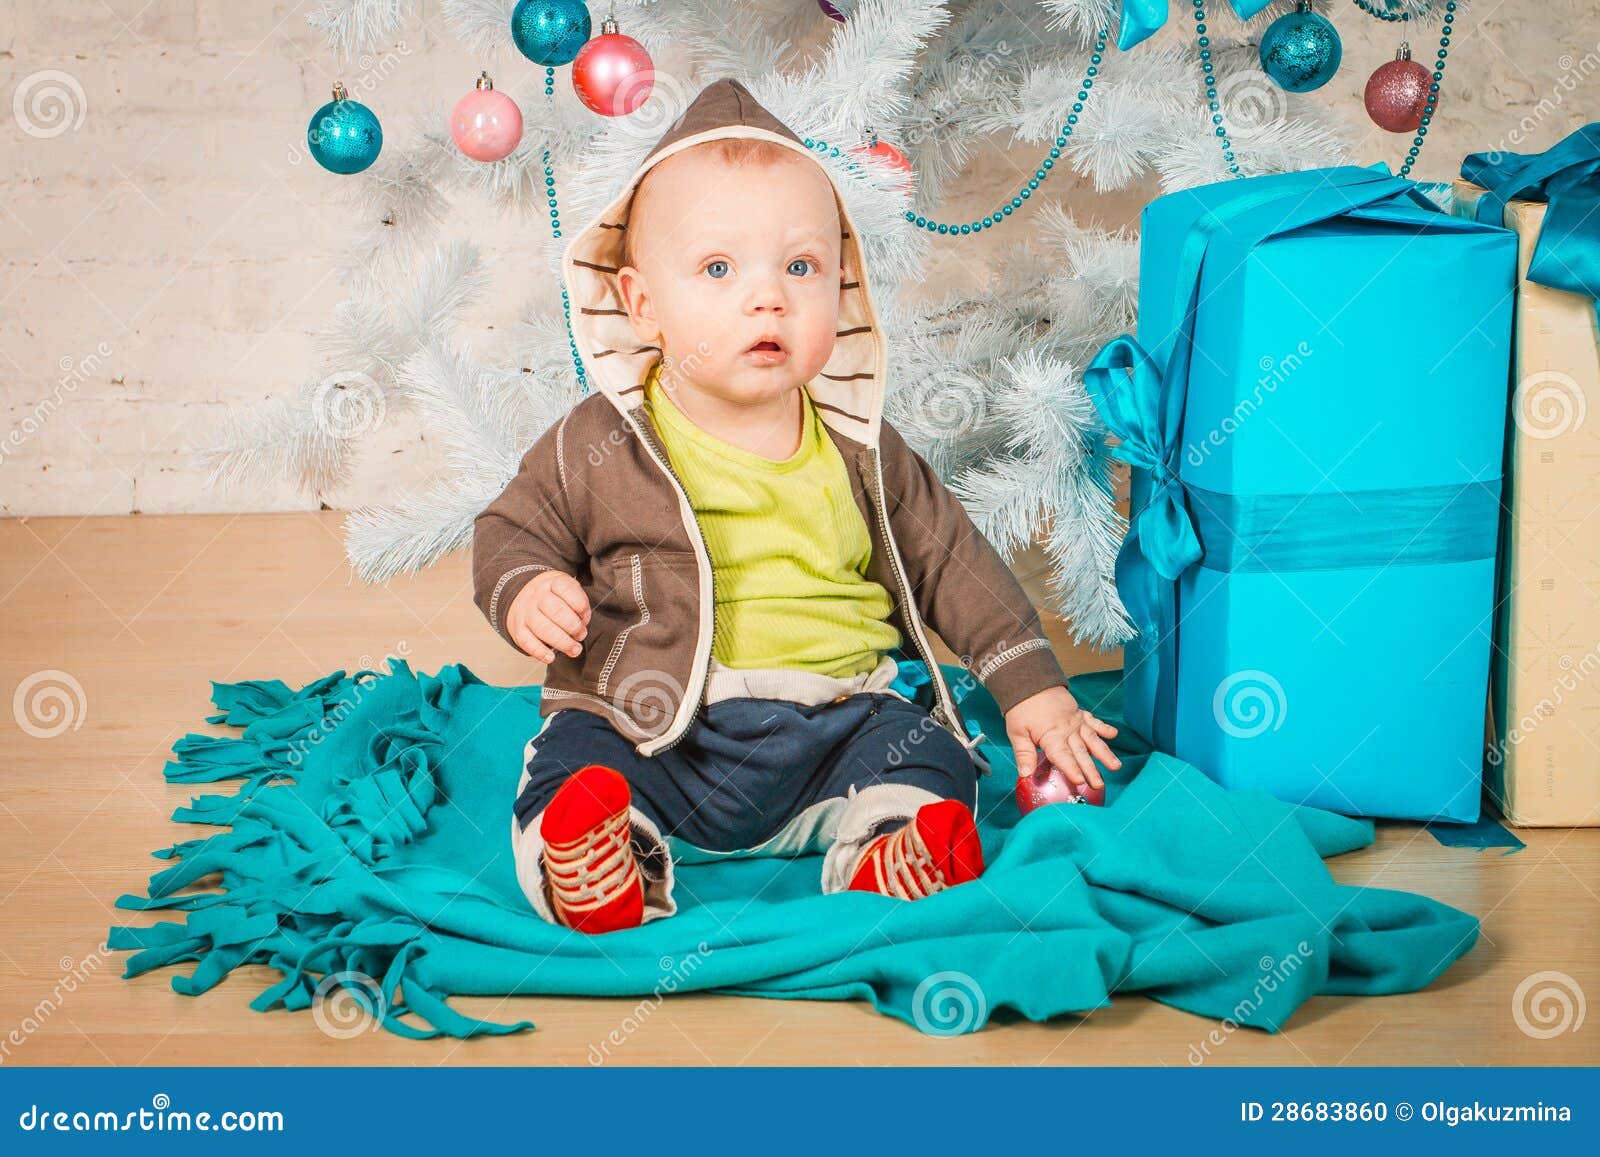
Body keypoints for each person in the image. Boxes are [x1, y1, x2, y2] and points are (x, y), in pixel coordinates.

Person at [473, 78, 1119, 934]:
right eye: (717, 268)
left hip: (839, 720)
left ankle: (888, 847)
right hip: (655, 721)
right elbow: (510, 529)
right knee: (570, 757)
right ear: (641, 305)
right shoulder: (601, 440)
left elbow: (950, 561)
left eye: (801, 266)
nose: (767, 296)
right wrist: (524, 586)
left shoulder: (860, 445)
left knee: (934, 758)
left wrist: (1030, 687)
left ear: (841, 288)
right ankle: (597, 856)